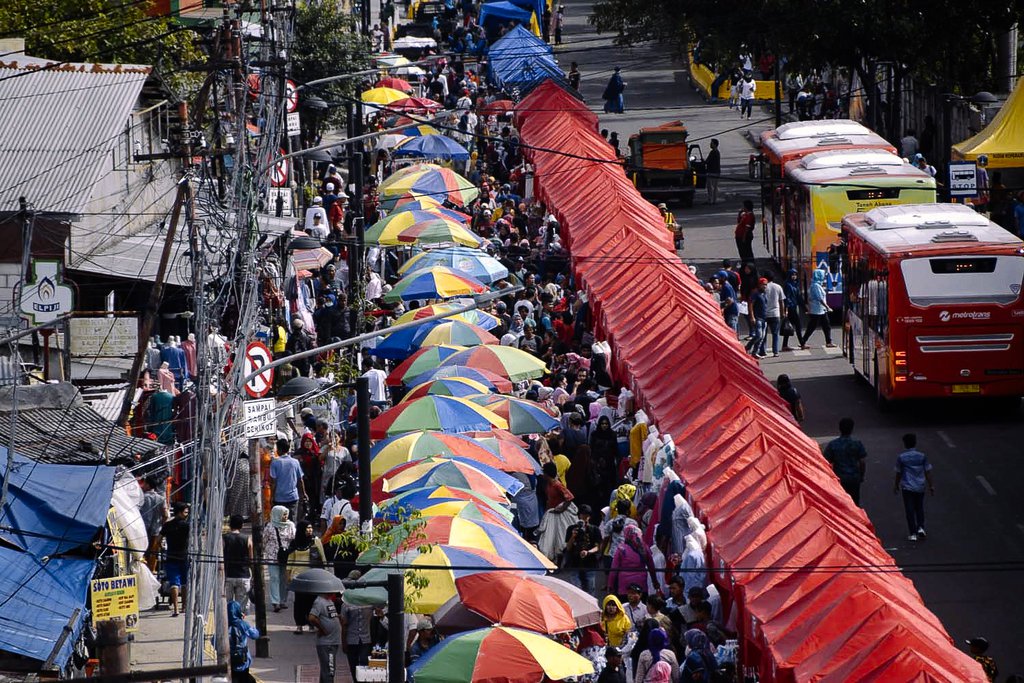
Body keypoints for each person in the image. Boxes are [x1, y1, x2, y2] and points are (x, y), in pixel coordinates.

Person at [894, 433, 934, 541]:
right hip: (920, 486)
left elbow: (898, 472)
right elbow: (927, 471)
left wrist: (896, 484)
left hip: (907, 486)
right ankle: (921, 527)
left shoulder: (901, 457)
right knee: (919, 507)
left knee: (909, 509)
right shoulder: (922, 456)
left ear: (905, 444)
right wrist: (931, 485)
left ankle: (912, 533)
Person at [537, 461, 578, 561]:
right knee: (550, 539)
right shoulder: (549, 485)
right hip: (552, 514)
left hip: (561, 516)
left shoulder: (557, 484)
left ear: (547, 474)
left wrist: (562, 508)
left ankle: (559, 562)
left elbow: (570, 497)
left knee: (560, 540)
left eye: (544, 472)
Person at [290, 520, 326, 633]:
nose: (310, 530)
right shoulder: (295, 543)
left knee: (311, 601)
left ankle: (311, 624)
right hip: (298, 576)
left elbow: (322, 557)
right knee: (299, 602)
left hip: (313, 575)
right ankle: (299, 625)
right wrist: (288, 575)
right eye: (307, 528)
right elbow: (290, 559)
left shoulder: (315, 541)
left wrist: (324, 573)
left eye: (311, 527)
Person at [823, 418, 867, 505]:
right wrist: (861, 476)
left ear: (840, 428)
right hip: (854, 478)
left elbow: (825, 462)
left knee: (841, 503)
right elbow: (862, 462)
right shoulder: (857, 443)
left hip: (840, 478)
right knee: (854, 502)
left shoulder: (833, 445)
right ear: (852, 429)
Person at [158, 501, 190, 617]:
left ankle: (176, 608)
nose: (187, 514)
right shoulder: (187, 526)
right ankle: (184, 606)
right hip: (184, 556)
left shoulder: (167, 525)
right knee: (185, 583)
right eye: (185, 512)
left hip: (171, 556)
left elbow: (158, 539)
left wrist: (162, 547)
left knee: (174, 583)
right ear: (180, 512)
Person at [264, 505, 296, 612]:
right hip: (272, 557)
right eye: (283, 514)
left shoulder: (290, 525)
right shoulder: (269, 526)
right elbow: (264, 540)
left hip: (286, 557)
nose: (286, 516)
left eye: (286, 514)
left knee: (284, 578)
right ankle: (275, 602)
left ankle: (283, 600)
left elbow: (294, 540)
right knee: (274, 578)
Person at [564, 504, 602, 594]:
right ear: (579, 515)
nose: (585, 517)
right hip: (574, 563)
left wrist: (588, 552)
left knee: (590, 590)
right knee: (576, 590)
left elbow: (598, 546)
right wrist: (573, 537)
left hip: (590, 563)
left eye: (587, 515)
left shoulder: (595, 529)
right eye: (583, 515)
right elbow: (568, 547)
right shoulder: (571, 529)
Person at [270, 437, 307, 522]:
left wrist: (272, 497)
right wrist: (304, 493)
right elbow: (300, 480)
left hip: (279, 498)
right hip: (293, 497)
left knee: (279, 522)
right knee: (292, 522)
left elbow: (273, 483)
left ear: (280, 449)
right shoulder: (295, 462)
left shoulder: (275, 462)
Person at [308, 592, 342, 683]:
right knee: (329, 671)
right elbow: (312, 617)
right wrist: (322, 629)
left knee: (326, 671)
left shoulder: (329, 600)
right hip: (327, 643)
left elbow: (329, 616)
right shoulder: (319, 601)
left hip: (333, 641)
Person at [223, 514, 253, 613]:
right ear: (242, 525)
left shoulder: (224, 538)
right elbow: (251, 560)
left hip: (227, 575)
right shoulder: (247, 539)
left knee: (228, 606)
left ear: (230, 525)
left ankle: (229, 625)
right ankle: (239, 626)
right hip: (243, 575)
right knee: (241, 608)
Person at [799, 268, 834, 348]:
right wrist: (828, 307)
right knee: (812, 327)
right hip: (817, 310)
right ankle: (803, 342)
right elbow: (820, 298)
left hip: (820, 310)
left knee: (826, 326)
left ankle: (828, 342)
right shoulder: (816, 286)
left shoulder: (816, 285)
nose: (824, 278)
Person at [138, 476, 167, 573]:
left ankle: (142, 569)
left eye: (144, 484)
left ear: (148, 485)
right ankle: (151, 570)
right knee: (153, 551)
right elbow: (165, 514)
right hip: (156, 529)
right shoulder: (161, 498)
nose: (143, 486)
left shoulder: (142, 498)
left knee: (142, 550)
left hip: (143, 529)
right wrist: (162, 524)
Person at [339, 598, 374, 677]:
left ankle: (356, 680)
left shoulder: (346, 604)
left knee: (353, 665)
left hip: (351, 638)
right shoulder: (370, 604)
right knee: (364, 664)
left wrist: (343, 642)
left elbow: (344, 624)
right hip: (365, 639)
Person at [228, 600, 260, 683]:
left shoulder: (224, 624)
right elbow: (255, 635)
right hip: (243, 658)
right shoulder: (242, 624)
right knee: (245, 678)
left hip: (229, 658)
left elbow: (214, 641)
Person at [762, 273, 785, 357]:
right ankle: (775, 351)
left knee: (763, 334)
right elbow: (781, 301)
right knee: (775, 333)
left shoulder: (763, 287)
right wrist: (782, 312)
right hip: (775, 313)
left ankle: (763, 351)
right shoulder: (778, 287)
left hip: (764, 313)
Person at [780, 268, 804, 351]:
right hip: (791, 308)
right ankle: (802, 343)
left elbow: (798, 296)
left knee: (789, 326)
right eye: (792, 275)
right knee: (797, 325)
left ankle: (785, 345)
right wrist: (786, 309)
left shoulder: (795, 284)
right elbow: (786, 297)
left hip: (794, 306)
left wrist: (804, 306)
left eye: (795, 275)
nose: (794, 276)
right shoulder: (788, 285)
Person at [748, 278, 768, 359]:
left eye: (766, 284)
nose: (765, 286)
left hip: (764, 318)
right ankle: (747, 347)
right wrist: (752, 317)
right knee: (759, 335)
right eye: (763, 284)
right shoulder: (755, 293)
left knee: (762, 337)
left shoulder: (764, 293)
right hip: (758, 318)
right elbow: (750, 305)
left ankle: (755, 352)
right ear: (759, 284)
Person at [705, 139, 721, 204]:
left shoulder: (713, 152)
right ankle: (714, 200)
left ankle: (710, 200)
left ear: (715, 144)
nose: (710, 144)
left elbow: (707, 161)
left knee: (710, 187)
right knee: (715, 187)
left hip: (712, 172)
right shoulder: (717, 152)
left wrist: (704, 162)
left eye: (711, 143)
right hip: (716, 171)